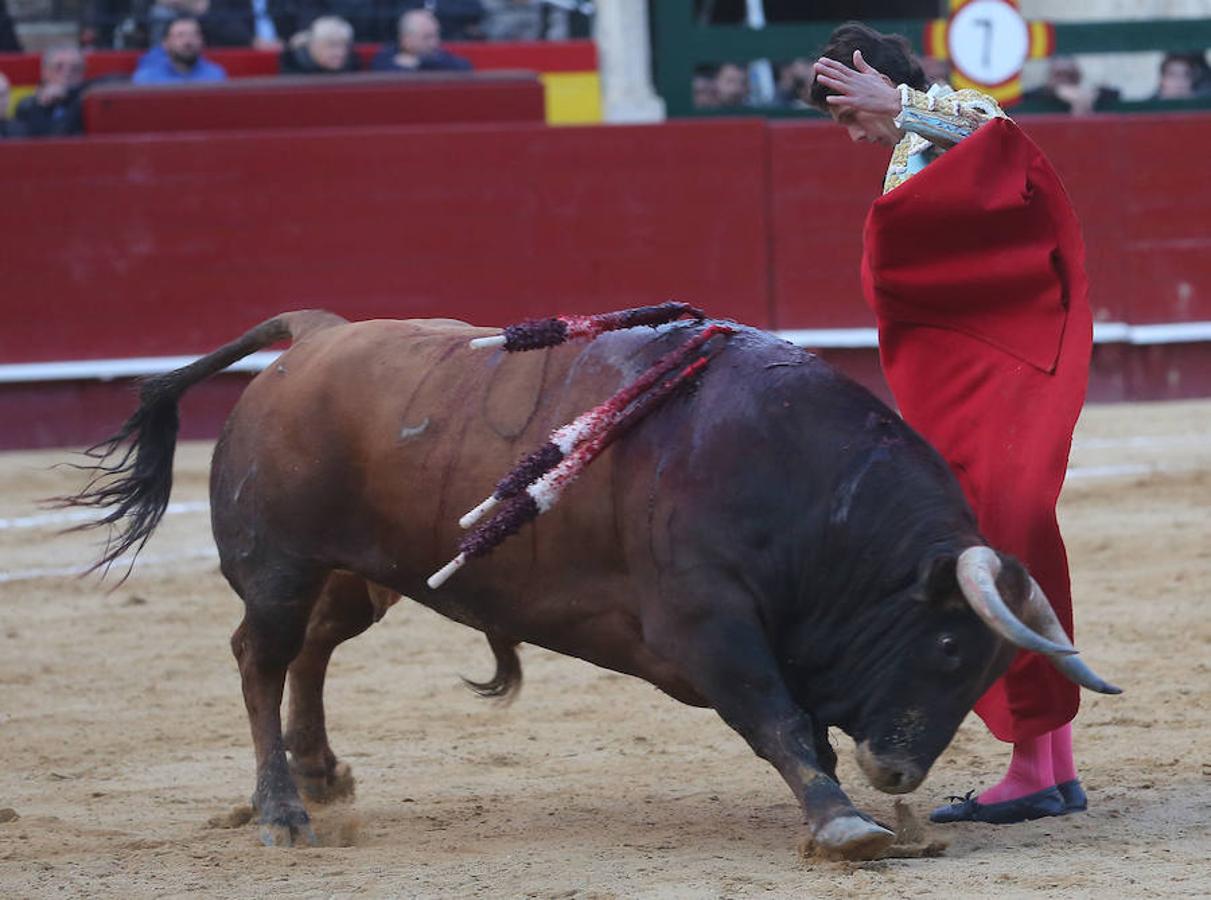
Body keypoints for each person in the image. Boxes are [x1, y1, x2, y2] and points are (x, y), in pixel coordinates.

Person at [811, 22, 1096, 825]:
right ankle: (1049, 766)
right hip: (969, 379)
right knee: (995, 541)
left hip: (1006, 368)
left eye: (846, 113)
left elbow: (998, 136)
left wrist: (898, 104)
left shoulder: (948, 114)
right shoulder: (909, 152)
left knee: (1004, 535)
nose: (850, 132)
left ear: (872, 82)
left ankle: (1037, 767)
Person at [13, 44, 88, 137]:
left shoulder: (88, 102)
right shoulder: (28, 105)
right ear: (45, 72)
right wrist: (41, 106)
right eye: (59, 67)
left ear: (83, 72)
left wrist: (70, 94)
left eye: (75, 68)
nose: (67, 73)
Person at [370, 8, 472, 73]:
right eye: (427, 37)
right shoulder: (385, 59)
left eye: (436, 35)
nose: (434, 42)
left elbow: (464, 67)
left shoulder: (439, 56)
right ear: (406, 40)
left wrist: (419, 63)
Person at [133, 16, 228, 83]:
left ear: (201, 41)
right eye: (180, 35)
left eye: (193, 35)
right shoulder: (146, 79)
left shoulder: (215, 76)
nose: (188, 41)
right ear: (166, 44)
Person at [1021, 56, 1119, 115]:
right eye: (1059, 75)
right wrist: (1054, 91)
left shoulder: (1092, 95)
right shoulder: (1035, 97)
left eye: (1070, 75)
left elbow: (1114, 94)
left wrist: (1089, 95)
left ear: (1078, 77)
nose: (1064, 79)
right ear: (1050, 77)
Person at [280, 15, 359, 74]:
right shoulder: (292, 66)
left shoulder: (353, 65)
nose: (340, 53)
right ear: (314, 45)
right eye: (332, 45)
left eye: (345, 45)